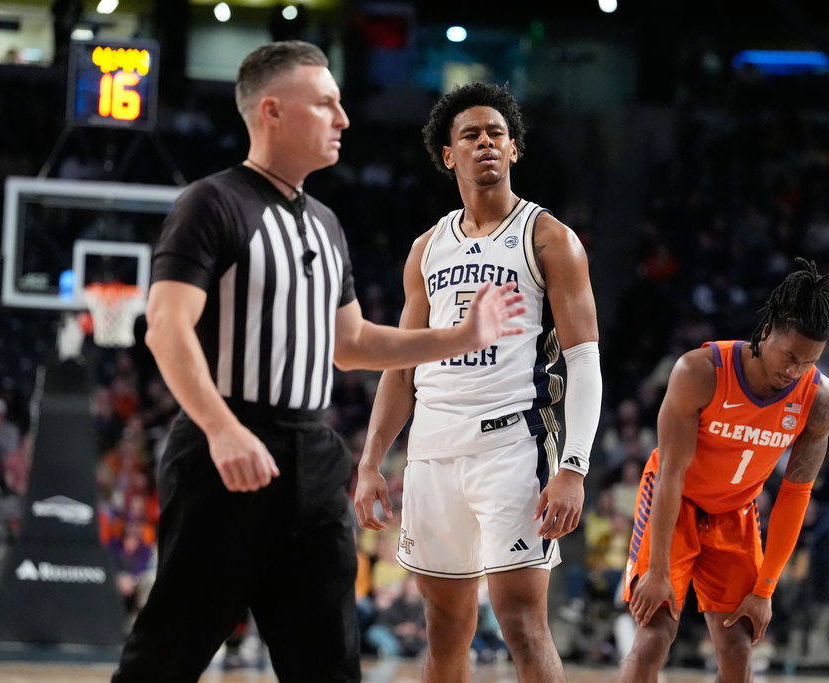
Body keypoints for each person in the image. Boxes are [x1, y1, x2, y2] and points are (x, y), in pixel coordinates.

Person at [111, 42, 527, 683]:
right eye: (326, 103)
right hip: (227, 452)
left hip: (312, 457)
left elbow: (352, 343)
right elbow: (166, 326)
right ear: (273, 111)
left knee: (330, 667)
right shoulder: (211, 203)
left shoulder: (325, 223)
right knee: (166, 658)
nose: (343, 117)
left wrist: (462, 336)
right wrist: (222, 429)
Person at [353, 81, 602, 683]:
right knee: (444, 628)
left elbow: (584, 361)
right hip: (433, 449)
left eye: (497, 133)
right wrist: (370, 461)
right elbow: (402, 366)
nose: (486, 142)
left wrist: (573, 466)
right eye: (471, 135)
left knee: (521, 623)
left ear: (514, 149)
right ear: (449, 154)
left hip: (512, 444)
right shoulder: (426, 248)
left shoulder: (549, 238)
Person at [617, 258, 829, 683]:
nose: (794, 370)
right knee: (654, 636)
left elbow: (795, 495)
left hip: (736, 513)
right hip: (675, 504)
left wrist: (765, 590)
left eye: (808, 362)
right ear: (766, 333)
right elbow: (671, 473)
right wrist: (657, 572)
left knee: (737, 652)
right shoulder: (700, 372)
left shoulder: (820, 400)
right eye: (789, 356)